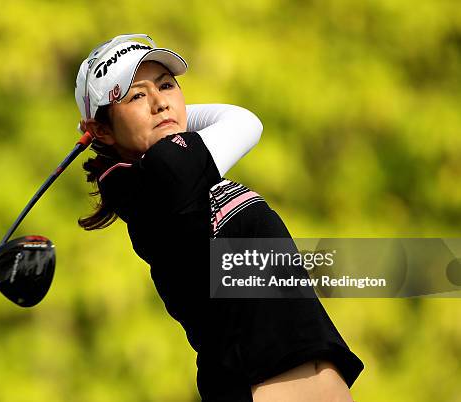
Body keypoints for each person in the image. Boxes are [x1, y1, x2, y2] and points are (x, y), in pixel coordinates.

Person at [74, 34, 363, 401]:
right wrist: (172, 117)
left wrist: (147, 118)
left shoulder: (157, 178)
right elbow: (244, 122)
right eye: (137, 96)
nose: (160, 103)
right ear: (99, 129)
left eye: (166, 86)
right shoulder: (166, 173)